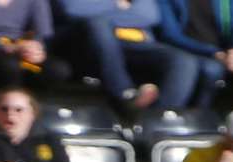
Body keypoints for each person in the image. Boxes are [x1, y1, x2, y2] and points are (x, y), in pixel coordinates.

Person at [54, 0, 212, 111]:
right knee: (97, 24)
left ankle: (158, 120)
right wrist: (116, 4)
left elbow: (149, 15)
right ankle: (125, 93)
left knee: (183, 61)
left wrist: (100, 7)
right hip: (85, 43)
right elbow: (73, 9)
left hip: (132, 43)